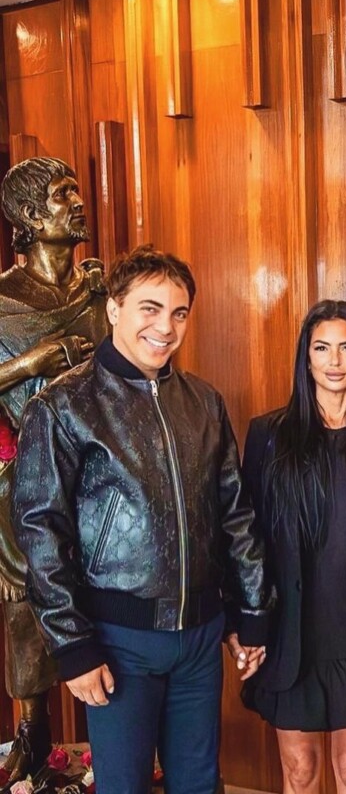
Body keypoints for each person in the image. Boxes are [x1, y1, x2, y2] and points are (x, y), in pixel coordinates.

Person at [11, 245, 268, 794]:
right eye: (150, 309)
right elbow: (40, 533)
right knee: (124, 786)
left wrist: (250, 612)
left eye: (179, 313)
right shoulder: (63, 406)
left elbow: (234, 513)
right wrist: (72, 646)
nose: (165, 327)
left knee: (200, 784)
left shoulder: (203, 402)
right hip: (118, 641)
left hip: (200, 638)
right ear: (114, 308)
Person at [237, 300, 346, 794]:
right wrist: (243, 622)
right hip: (292, 632)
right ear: (305, 358)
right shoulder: (269, 435)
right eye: (321, 348)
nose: (334, 361)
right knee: (300, 770)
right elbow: (244, 536)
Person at [0, 157, 107, 784]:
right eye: (63, 194)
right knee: (25, 606)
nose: (77, 202)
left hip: (101, 476)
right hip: (24, 480)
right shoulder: (3, 300)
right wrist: (33, 362)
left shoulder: (101, 292)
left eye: (75, 190)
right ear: (30, 215)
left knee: (105, 595)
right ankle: (31, 733)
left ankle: (114, 737)